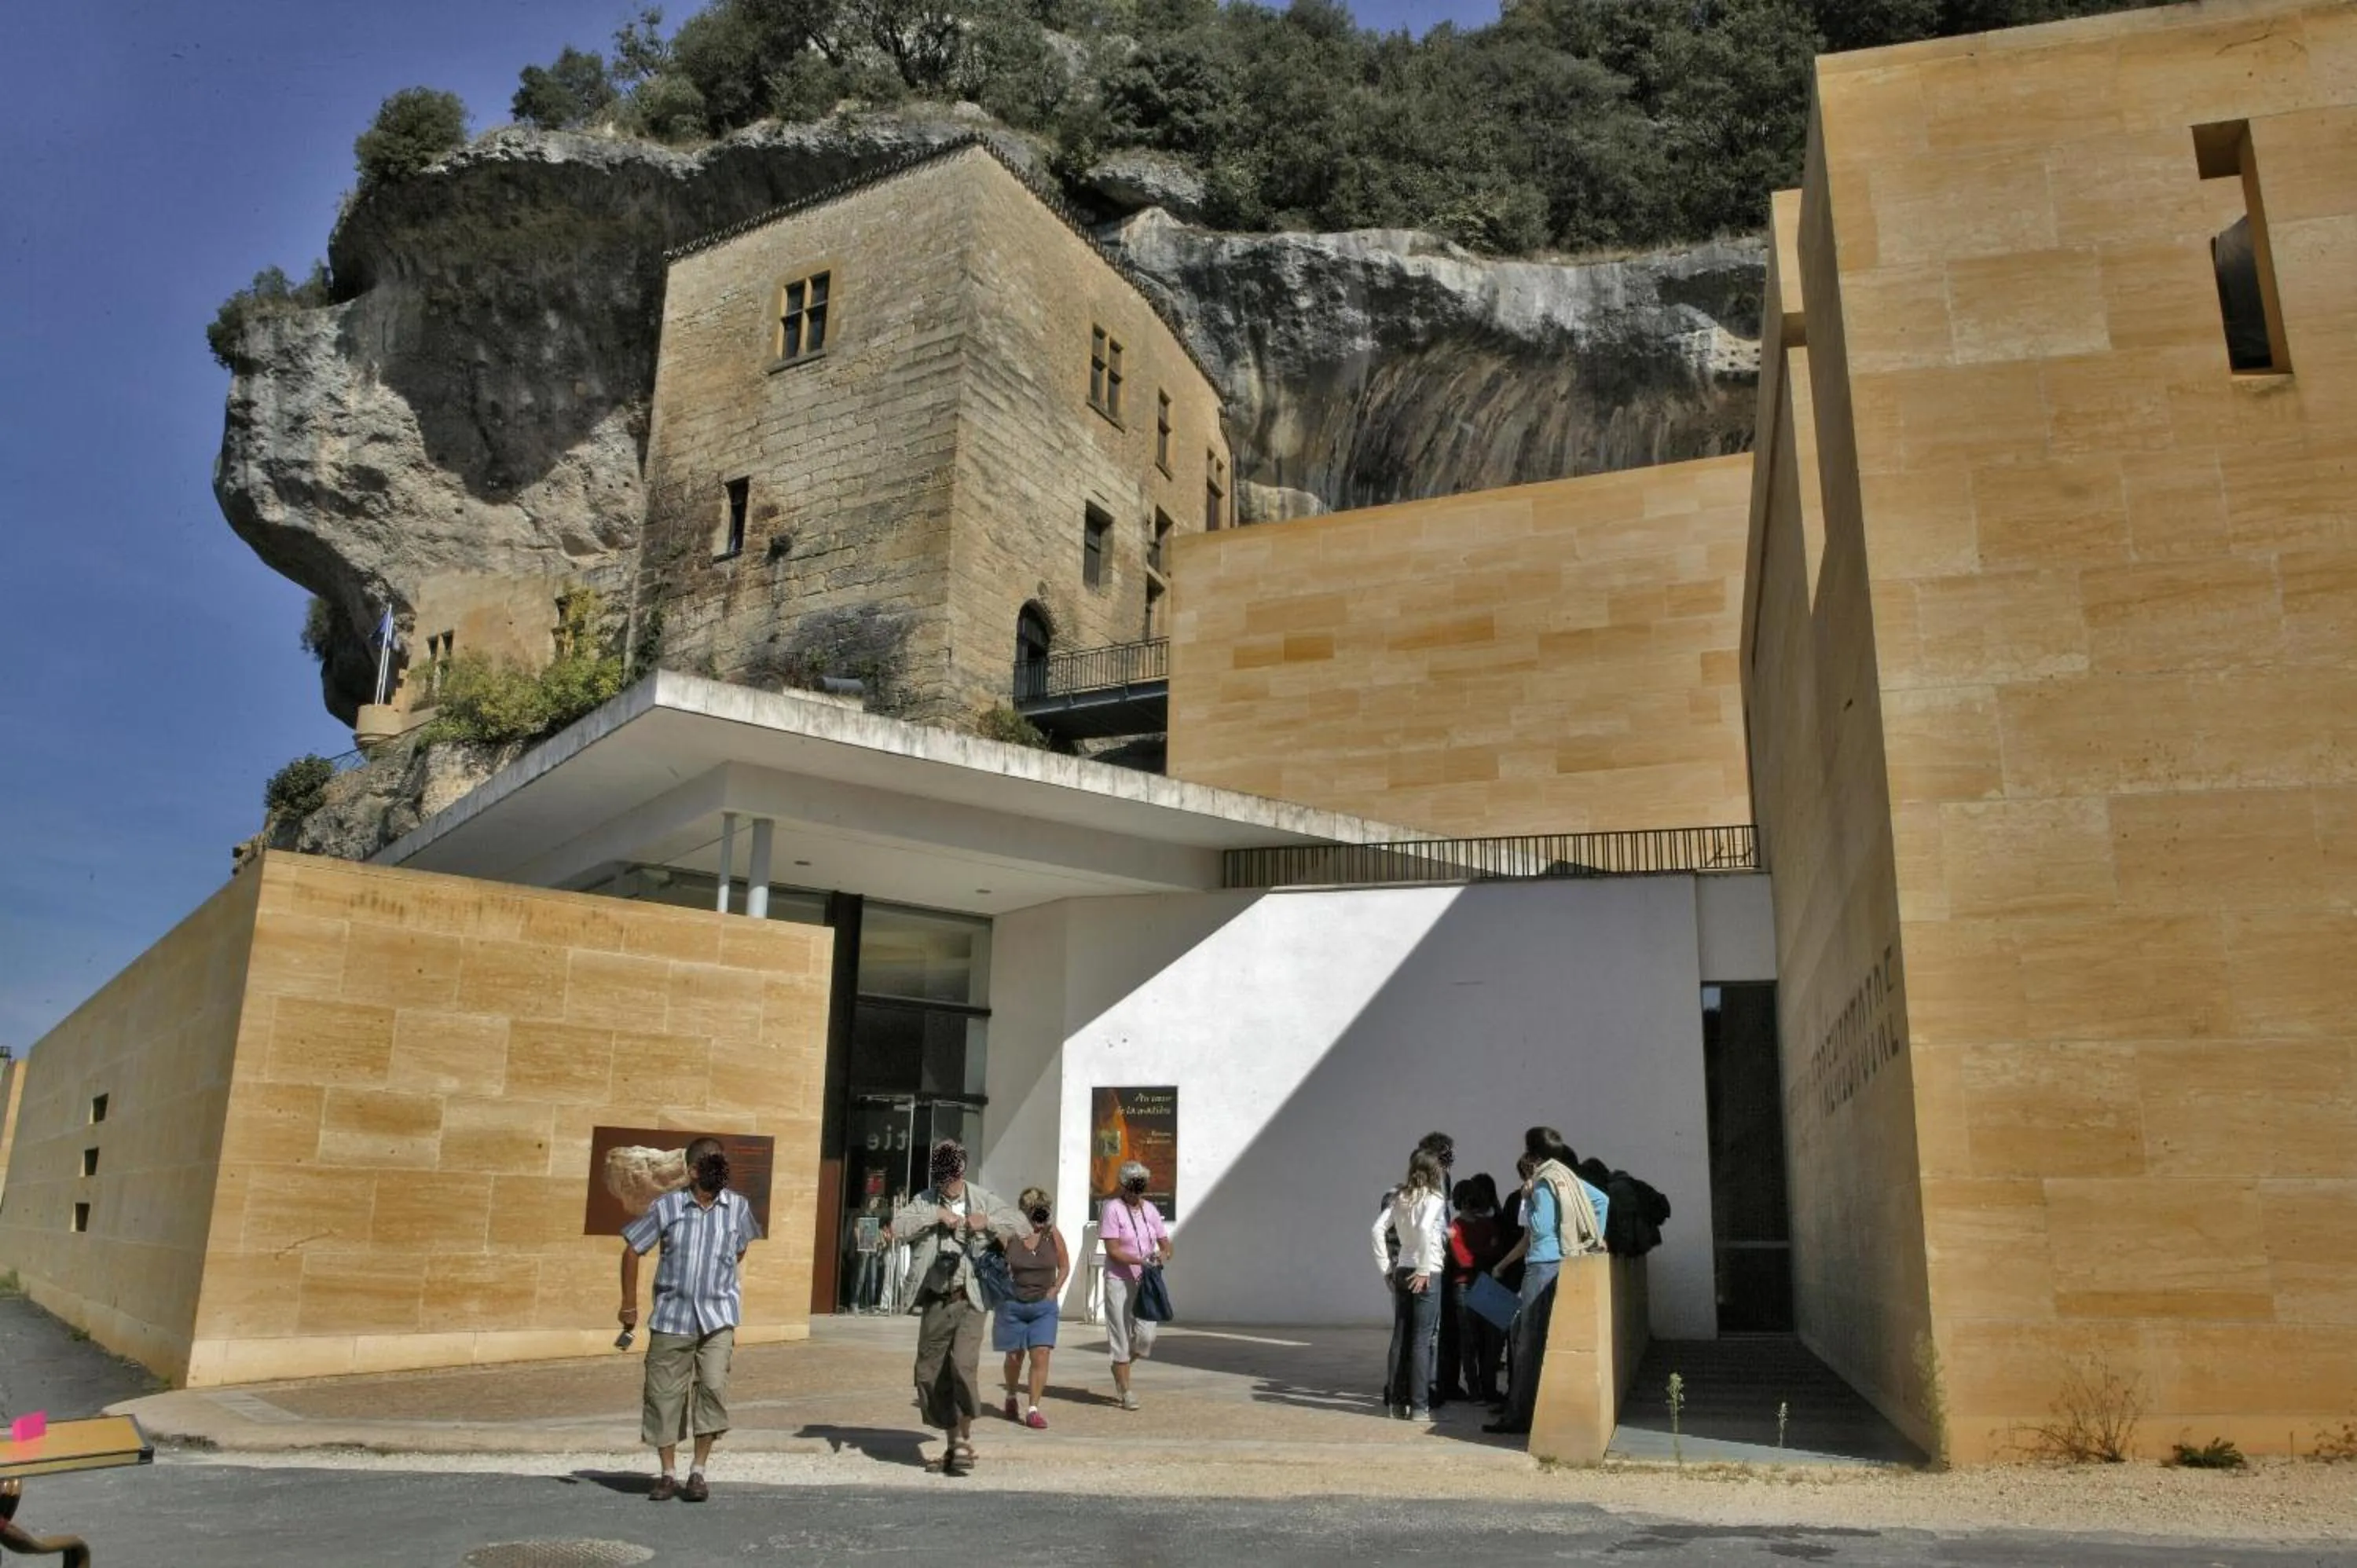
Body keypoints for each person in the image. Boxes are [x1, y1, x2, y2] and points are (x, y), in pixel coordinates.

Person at [619, 1135, 761, 1501]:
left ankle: (698, 1471)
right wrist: (629, 1305)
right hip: (672, 1317)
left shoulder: (738, 1208)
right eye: (712, 1163)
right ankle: (667, 1473)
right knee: (664, 1395)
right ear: (693, 1170)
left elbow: (740, 1248)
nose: (719, 1169)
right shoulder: (667, 1207)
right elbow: (633, 1249)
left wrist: (718, 1277)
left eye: (722, 1162)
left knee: (712, 1388)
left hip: (718, 1318)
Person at [893, 1139, 1025, 1475]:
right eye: (942, 1178)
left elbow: (1021, 1225)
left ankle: (963, 1442)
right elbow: (898, 1227)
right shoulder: (924, 1201)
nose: (947, 1183)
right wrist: (935, 1215)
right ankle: (953, 1443)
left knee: (963, 1367)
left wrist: (988, 1223)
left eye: (952, 1176)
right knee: (930, 1375)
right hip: (937, 1300)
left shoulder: (981, 1198)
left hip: (971, 1299)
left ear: (962, 1171)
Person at [1485, 1127, 1607, 1436]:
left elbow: (1538, 1230)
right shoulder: (1565, 1176)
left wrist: (1528, 1196)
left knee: (1527, 1344)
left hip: (1540, 1266)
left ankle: (1518, 1417)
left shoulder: (1541, 1183)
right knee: (1538, 1340)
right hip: (1566, 1261)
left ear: (1532, 1155)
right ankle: (1530, 1410)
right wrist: (1592, 1239)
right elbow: (1602, 1201)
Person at [1373, 1148, 1448, 1421]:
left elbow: (1377, 1229)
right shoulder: (1434, 1197)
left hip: (1403, 1268)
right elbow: (1427, 1229)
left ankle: (1395, 1402)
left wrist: (1386, 1270)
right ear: (1433, 1171)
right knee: (1422, 1339)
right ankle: (1419, 1407)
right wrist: (1426, 1268)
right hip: (1427, 1272)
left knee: (1400, 1336)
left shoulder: (1400, 1197)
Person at [1099, 1159, 1172, 1411]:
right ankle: (1125, 1390)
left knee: (1146, 1337)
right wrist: (1140, 1259)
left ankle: (1121, 1367)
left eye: (1141, 1185)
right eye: (1133, 1185)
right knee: (1119, 1334)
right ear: (1123, 1184)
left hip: (1146, 1281)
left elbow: (1165, 1243)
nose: (1136, 1191)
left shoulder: (1150, 1209)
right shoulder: (1112, 1209)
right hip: (1119, 1280)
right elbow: (1113, 1251)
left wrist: (1162, 1256)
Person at [996, 1186, 1070, 1428]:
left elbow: (1064, 1265)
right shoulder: (1009, 1235)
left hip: (1043, 1306)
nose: (1040, 1218)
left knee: (1041, 1354)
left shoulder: (1052, 1234)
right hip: (1014, 1304)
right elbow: (995, 1264)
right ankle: (1010, 1394)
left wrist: (1054, 1290)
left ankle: (1033, 1409)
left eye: (1044, 1211)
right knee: (1014, 1357)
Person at [1447, 1173, 1508, 1406]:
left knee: (1487, 1342)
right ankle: (1477, 1390)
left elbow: (1493, 1252)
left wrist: (1481, 1255)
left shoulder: (1479, 1225)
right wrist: (1485, 1253)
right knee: (1470, 1342)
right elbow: (1465, 1259)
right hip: (1470, 1285)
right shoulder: (1457, 1227)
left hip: (1474, 1284)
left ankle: (1486, 1389)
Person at [1417, 1131, 1461, 1407]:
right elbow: (1432, 1223)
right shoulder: (1435, 1178)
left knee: (1424, 1330)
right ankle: (1429, 1387)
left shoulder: (1424, 1180)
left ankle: (1429, 1384)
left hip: (1427, 1257)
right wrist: (1447, 1235)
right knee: (1430, 1331)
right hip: (1431, 1260)